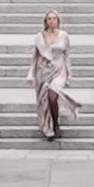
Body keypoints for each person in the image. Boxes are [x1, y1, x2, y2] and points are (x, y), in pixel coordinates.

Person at [31, 10, 76, 141]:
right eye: (49, 19)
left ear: (58, 20)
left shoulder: (64, 35)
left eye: (54, 18)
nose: (52, 21)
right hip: (43, 72)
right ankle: (50, 127)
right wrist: (31, 75)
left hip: (59, 71)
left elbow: (67, 55)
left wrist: (69, 74)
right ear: (45, 21)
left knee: (52, 96)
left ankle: (56, 124)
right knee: (45, 101)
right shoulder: (39, 36)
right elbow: (35, 57)